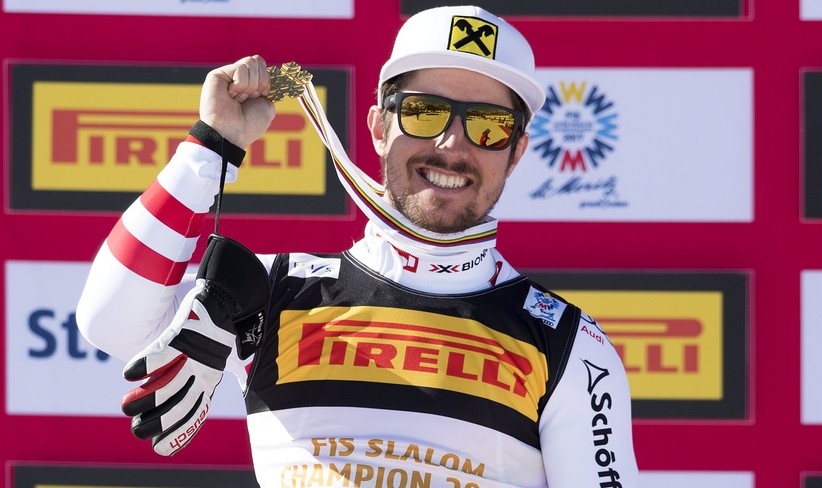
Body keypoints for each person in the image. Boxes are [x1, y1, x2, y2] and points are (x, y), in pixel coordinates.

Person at [76, 5, 639, 488]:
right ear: (377, 127)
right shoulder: (274, 293)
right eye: (424, 112)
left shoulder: (568, 345)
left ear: (515, 153)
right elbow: (109, 324)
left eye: (489, 126)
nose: (452, 144)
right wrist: (211, 147)